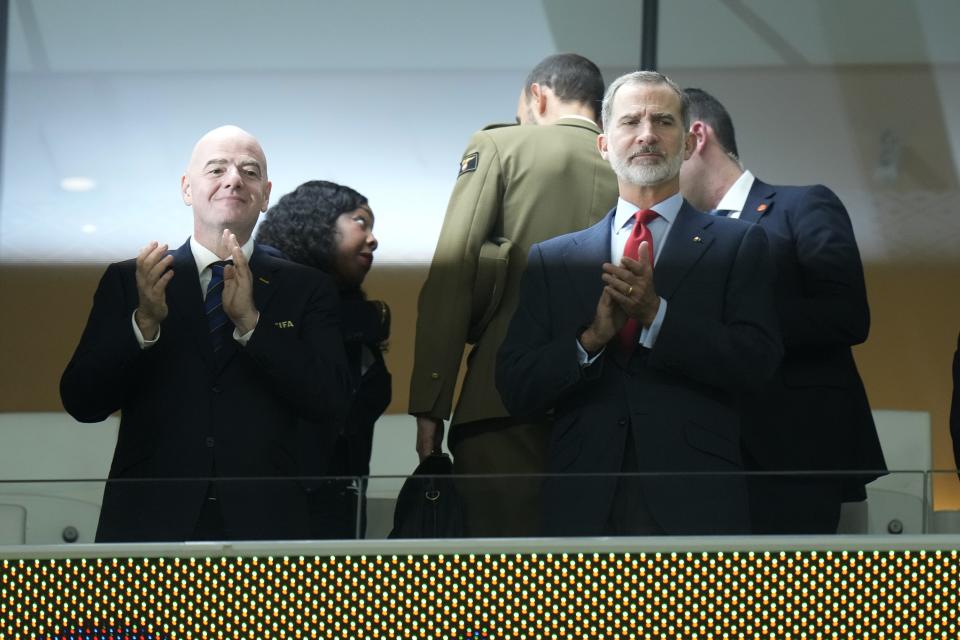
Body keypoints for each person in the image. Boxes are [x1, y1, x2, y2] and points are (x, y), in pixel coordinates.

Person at [496, 71, 783, 536]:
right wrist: (591, 339)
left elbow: (759, 363)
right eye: (630, 122)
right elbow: (516, 385)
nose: (647, 134)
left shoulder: (741, 243)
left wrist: (658, 317)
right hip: (581, 499)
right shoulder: (554, 258)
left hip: (697, 498)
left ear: (689, 144)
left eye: (663, 121)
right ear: (605, 145)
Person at [60, 126, 351, 542]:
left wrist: (252, 324)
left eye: (249, 172)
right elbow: (82, 401)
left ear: (265, 195)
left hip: (267, 524)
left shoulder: (307, 288)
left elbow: (333, 399)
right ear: (186, 188)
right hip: (149, 523)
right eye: (216, 169)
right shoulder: (131, 280)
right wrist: (144, 323)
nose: (233, 179)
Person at [408, 53, 618, 537]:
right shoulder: (632, 163)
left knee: (502, 584)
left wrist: (431, 403)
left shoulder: (500, 145)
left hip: (500, 401)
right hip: (609, 402)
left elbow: (451, 276)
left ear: (538, 96)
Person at [678, 88, 887, 534]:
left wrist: (741, 325)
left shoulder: (802, 205)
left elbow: (846, 314)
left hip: (797, 453)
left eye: (662, 138)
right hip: (704, 458)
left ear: (696, 137)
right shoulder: (680, 243)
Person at [255, 180, 391, 539]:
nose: (373, 239)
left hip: (341, 511)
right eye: (361, 221)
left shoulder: (359, 319)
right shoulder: (264, 303)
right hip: (275, 517)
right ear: (317, 224)